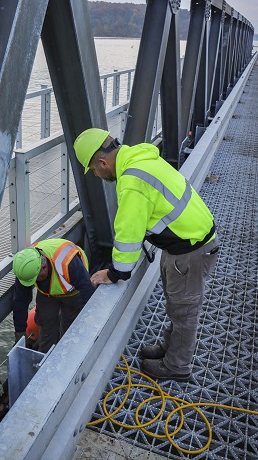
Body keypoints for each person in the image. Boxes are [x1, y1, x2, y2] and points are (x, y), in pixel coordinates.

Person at [73, 128, 219, 382]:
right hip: (187, 244)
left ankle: (177, 366)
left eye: (95, 170)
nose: (97, 175)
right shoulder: (140, 157)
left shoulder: (132, 180)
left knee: (184, 311)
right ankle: (170, 349)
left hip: (189, 251)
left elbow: (127, 233)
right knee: (177, 306)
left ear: (103, 162)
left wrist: (115, 272)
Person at [12, 238, 95, 353]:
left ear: (44, 268)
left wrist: (85, 321)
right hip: (48, 292)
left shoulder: (68, 264)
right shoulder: (26, 268)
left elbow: (87, 291)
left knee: (70, 326)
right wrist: (20, 332)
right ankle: (44, 356)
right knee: (46, 321)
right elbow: (20, 302)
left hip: (73, 291)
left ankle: (66, 353)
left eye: (36, 279)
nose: (33, 283)